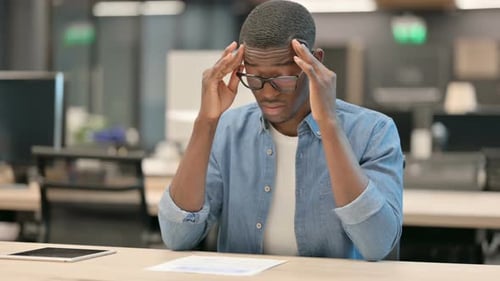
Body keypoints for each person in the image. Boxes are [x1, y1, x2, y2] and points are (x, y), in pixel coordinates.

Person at [158, 0, 403, 261]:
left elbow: (377, 244)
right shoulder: (227, 131)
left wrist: (329, 124)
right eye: (255, 79)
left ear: (314, 63)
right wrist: (205, 123)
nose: (267, 93)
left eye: (282, 79)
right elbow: (177, 237)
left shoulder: (374, 131)